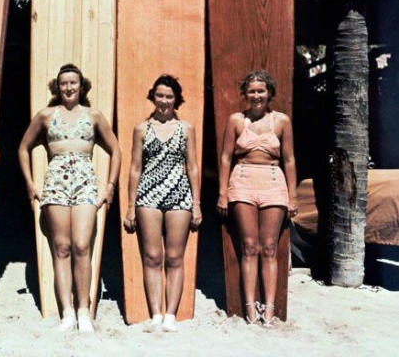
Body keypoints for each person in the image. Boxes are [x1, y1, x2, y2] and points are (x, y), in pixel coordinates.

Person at [18, 63, 121, 334]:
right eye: (63, 83)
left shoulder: (94, 115)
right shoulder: (46, 116)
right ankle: (66, 312)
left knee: (81, 245)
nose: (68, 88)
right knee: (61, 247)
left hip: (85, 182)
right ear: (57, 86)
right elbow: (23, 147)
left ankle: (84, 311)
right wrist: (30, 184)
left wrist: (110, 186)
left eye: (73, 82)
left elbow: (116, 149)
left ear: (82, 85)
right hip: (56, 183)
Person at [216, 70, 297, 328]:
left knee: (270, 247)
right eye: (251, 91)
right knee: (249, 246)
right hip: (242, 180)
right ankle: (250, 305)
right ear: (245, 94)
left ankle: (270, 307)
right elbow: (226, 157)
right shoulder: (236, 121)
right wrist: (222, 193)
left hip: (273, 181)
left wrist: (293, 196)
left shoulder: (281, 121)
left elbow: (290, 160)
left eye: (261, 91)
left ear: (269, 93)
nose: (256, 96)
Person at [123, 75, 201, 333]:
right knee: (153, 256)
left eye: (169, 96)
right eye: (159, 95)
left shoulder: (186, 129)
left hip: (179, 194)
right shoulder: (141, 129)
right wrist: (130, 206)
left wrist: (197, 204)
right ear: (152, 97)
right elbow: (135, 168)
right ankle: (155, 313)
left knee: (175, 257)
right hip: (148, 195)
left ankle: (170, 315)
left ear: (176, 99)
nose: (164, 101)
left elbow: (192, 167)